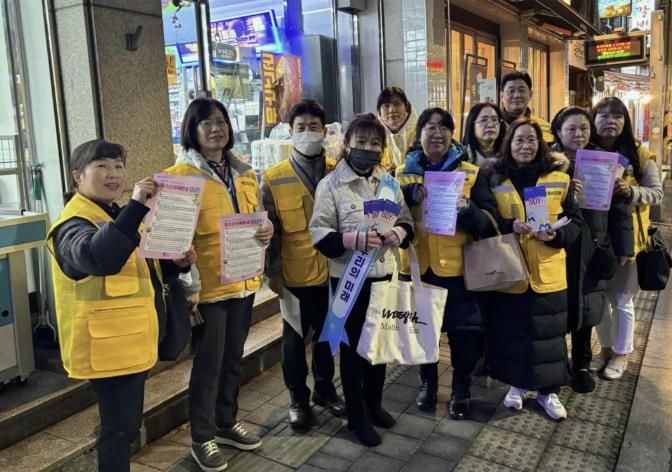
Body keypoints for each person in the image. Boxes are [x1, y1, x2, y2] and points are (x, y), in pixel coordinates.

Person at [47, 140, 195, 472]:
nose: (113, 174)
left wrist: (176, 263)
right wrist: (137, 206)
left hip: (128, 341)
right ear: (77, 176)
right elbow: (100, 258)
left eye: (118, 166)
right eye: (101, 166)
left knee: (125, 426)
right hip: (107, 348)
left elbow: (143, 269)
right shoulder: (72, 223)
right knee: (118, 429)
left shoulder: (114, 214)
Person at [163, 98, 273, 472]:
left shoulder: (244, 172)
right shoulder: (179, 177)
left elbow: (255, 218)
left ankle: (226, 422)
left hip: (243, 282)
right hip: (207, 289)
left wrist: (266, 229)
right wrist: (187, 285)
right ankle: (202, 437)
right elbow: (172, 241)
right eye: (206, 123)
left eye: (221, 121)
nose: (216, 128)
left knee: (232, 360)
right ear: (191, 130)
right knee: (208, 365)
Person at [309, 113, 414, 446]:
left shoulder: (389, 183)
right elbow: (319, 234)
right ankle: (356, 417)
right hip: (350, 282)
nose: (368, 148)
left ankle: (374, 405)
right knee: (354, 352)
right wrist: (351, 239)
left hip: (384, 278)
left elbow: (406, 219)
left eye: (375, 143)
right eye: (361, 141)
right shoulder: (331, 185)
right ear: (347, 144)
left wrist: (400, 232)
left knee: (379, 347)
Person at [396, 108, 499, 419]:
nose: (437, 133)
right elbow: (385, 215)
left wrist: (467, 209)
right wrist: (407, 195)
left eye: (444, 127)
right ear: (419, 135)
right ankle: (427, 384)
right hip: (417, 270)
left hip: (460, 273)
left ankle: (461, 390)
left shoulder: (472, 174)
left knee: (464, 338)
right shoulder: (400, 174)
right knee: (422, 333)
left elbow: (490, 224)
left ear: (453, 134)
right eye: (430, 127)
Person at [485, 118, 581, 420]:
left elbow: (576, 222)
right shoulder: (495, 179)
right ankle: (517, 385)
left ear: (541, 145)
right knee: (514, 334)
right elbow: (488, 219)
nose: (525, 146)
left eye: (531, 140)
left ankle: (548, 392)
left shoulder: (559, 178)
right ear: (508, 144)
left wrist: (557, 236)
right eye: (519, 140)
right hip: (510, 272)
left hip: (548, 273)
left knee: (549, 337)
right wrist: (508, 225)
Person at [261, 99, 346, 431]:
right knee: (294, 342)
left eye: (314, 127)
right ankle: (298, 399)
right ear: (290, 132)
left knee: (327, 336)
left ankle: (324, 390)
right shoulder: (273, 178)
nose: (308, 132)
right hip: (294, 275)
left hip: (333, 272)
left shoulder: (338, 171)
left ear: (324, 131)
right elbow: (270, 232)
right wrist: (273, 272)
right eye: (301, 127)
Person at [550, 106, 633, 393]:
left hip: (593, 246)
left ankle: (582, 364)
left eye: (584, 128)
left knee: (586, 306)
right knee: (556, 307)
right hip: (556, 246)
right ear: (558, 132)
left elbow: (620, 210)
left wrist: (624, 246)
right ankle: (557, 362)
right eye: (571, 129)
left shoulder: (605, 162)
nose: (578, 134)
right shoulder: (547, 161)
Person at [590, 97, 663, 380]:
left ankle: (622, 353)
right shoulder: (585, 152)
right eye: (604, 115)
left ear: (626, 121)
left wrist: (632, 192)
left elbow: (656, 193)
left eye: (617, 116)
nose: (611, 121)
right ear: (593, 119)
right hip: (594, 239)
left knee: (621, 298)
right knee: (599, 298)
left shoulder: (640, 155)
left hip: (627, 240)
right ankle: (606, 349)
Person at [499, 71, 553, 143]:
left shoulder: (545, 128)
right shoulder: (493, 127)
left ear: (530, 95)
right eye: (511, 91)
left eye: (522, 91)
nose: (517, 95)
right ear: (501, 96)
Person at [377, 86, 418, 171]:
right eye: (386, 106)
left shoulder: (421, 133)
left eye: (397, 104)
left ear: (406, 107)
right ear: (379, 111)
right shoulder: (375, 136)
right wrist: (382, 172)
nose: (392, 110)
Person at [461, 102, 506, 169]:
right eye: (483, 120)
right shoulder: (461, 157)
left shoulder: (508, 155)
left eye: (495, 120)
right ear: (472, 125)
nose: (490, 125)